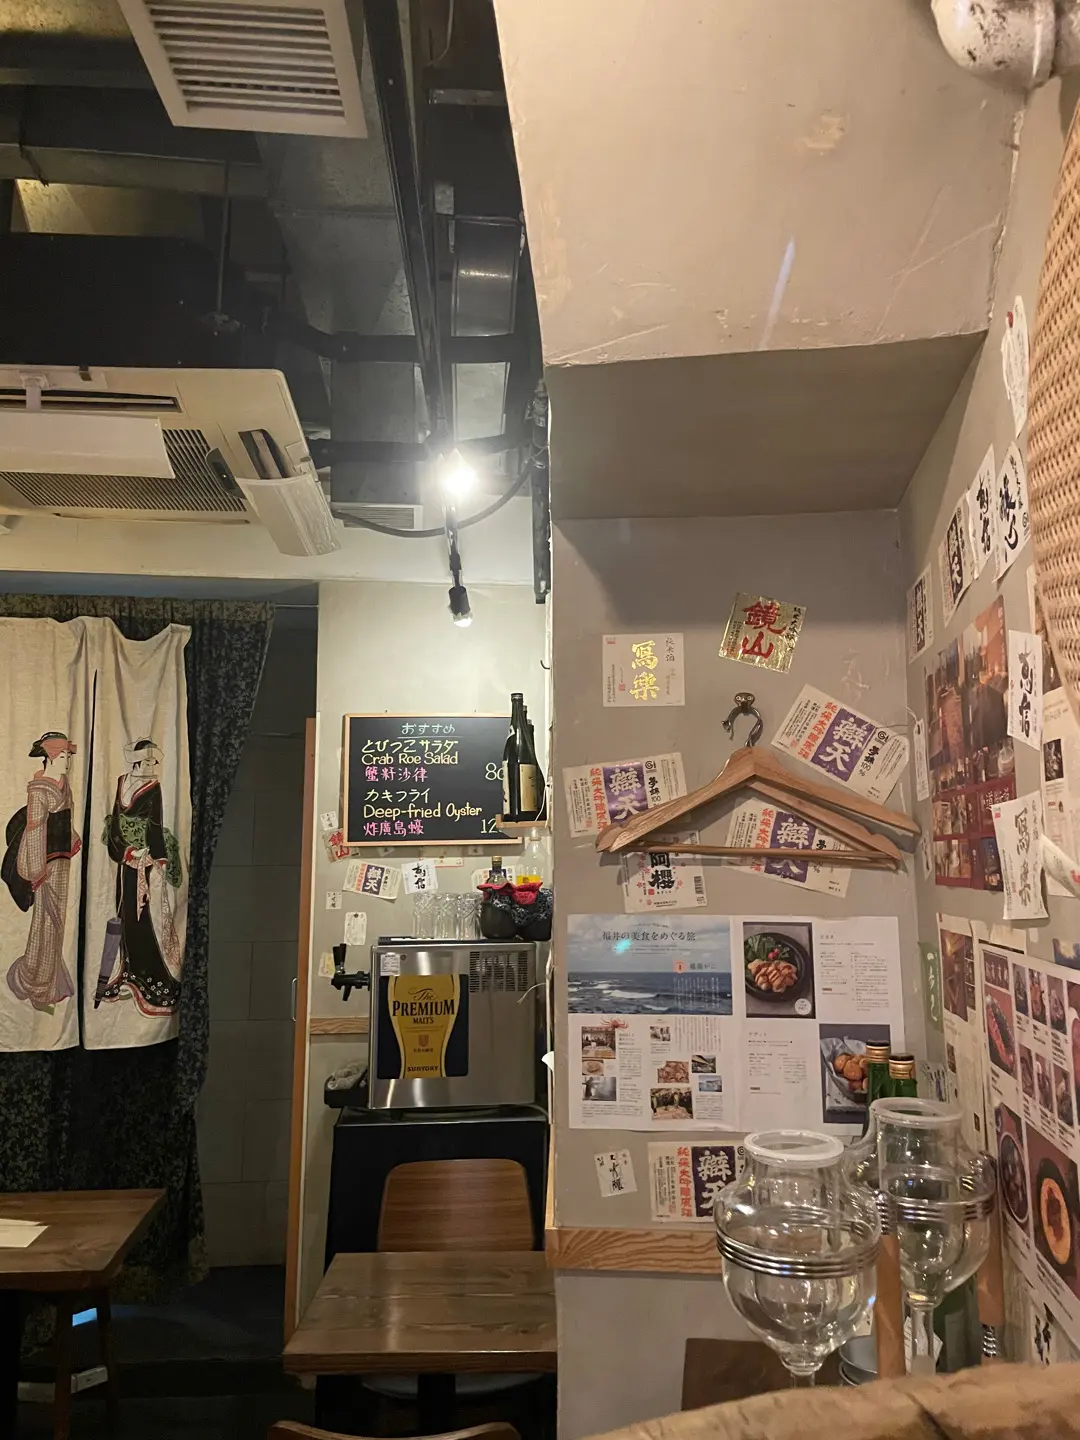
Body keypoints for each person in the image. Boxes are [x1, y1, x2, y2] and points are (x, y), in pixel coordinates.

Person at [97, 737, 183, 1016]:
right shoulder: (122, 782)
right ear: (136, 762)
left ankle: (148, 975)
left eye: (154, 761)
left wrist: (158, 859)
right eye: (148, 761)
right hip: (127, 859)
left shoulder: (153, 787)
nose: (152, 766)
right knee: (123, 912)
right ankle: (127, 971)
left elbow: (155, 825)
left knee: (140, 915)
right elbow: (115, 824)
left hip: (144, 859)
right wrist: (125, 851)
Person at [2, 732, 81, 1012]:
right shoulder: (39, 789)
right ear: (51, 756)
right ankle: (39, 988)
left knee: (56, 923)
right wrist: (36, 871)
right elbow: (34, 830)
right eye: (64, 755)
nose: (68, 760)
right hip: (45, 864)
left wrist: (72, 840)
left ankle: (41, 979)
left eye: (69, 755)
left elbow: (66, 818)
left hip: (62, 861)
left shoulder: (63, 783)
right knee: (46, 921)